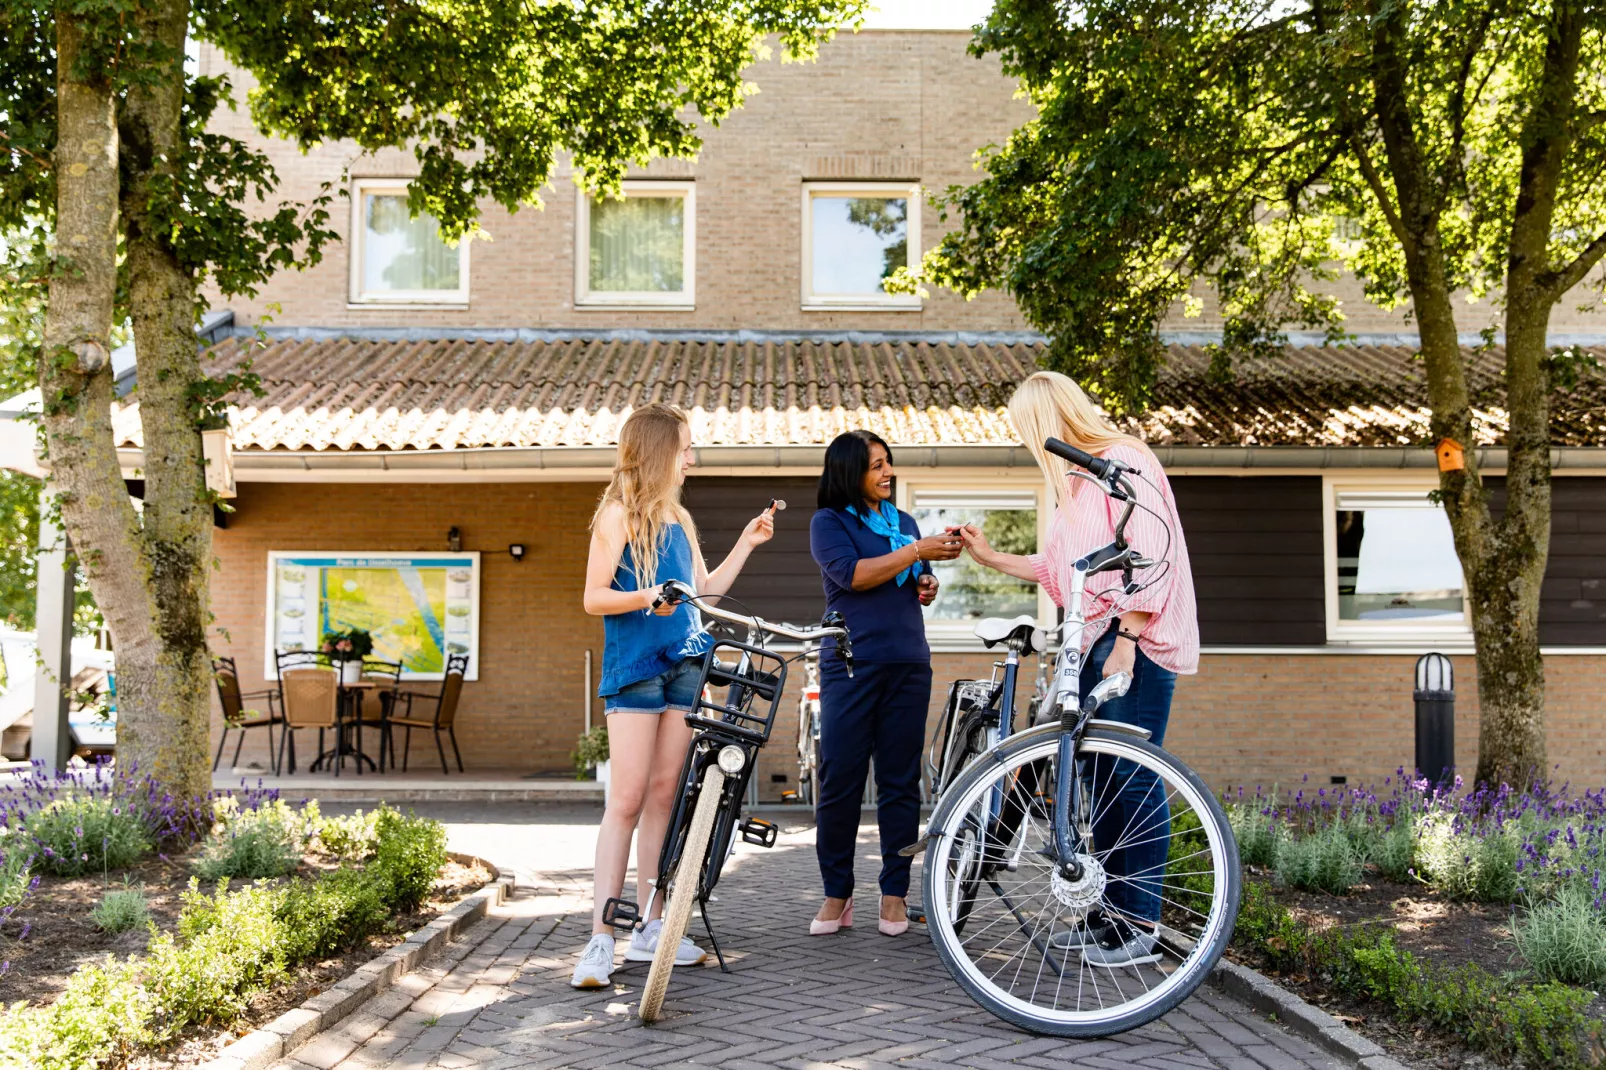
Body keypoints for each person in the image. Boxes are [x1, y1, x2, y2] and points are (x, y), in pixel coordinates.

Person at [958, 370, 1198, 968]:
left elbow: (1152, 554)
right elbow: (1060, 569)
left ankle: (1139, 924)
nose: (1027, 440)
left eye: (1027, 428)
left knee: (1132, 780)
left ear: (1049, 420)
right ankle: (1108, 916)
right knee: (1100, 781)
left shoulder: (1122, 460)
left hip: (1126, 642)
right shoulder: (1075, 484)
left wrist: (1126, 636)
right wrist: (990, 555)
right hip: (1088, 644)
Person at [571, 403, 776, 989]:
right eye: (686, 448)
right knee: (627, 801)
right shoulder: (616, 516)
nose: (692, 458)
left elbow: (703, 593)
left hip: (684, 666)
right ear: (661, 451)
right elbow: (592, 598)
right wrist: (647, 597)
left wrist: (746, 543)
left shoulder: (680, 522)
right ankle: (600, 939)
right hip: (636, 669)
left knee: (665, 795)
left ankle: (652, 928)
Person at [807, 430, 962, 937]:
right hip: (851, 665)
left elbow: (907, 577)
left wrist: (925, 580)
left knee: (899, 783)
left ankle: (893, 894)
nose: (887, 472)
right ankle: (837, 894)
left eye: (888, 463)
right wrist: (917, 551)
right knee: (840, 782)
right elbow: (853, 576)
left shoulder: (903, 522)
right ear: (850, 472)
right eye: (876, 466)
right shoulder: (828, 522)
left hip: (908, 663)